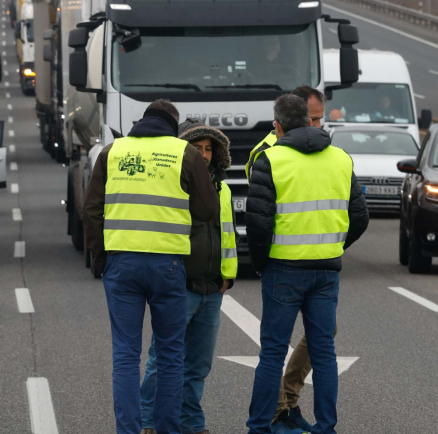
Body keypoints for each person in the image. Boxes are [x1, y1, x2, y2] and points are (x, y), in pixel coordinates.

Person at [82, 99, 219, 434]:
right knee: (172, 355)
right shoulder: (183, 153)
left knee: (126, 356)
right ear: (173, 126)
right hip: (167, 266)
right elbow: (206, 211)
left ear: (141, 121)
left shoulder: (112, 152)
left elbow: (90, 212)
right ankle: (168, 429)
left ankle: (128, 430)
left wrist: (102, 260)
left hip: (122, 265)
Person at [245, 94, 369, 434]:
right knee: (324, 352)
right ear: (310, 120)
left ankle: (259, 427)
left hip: (283, 270)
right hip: (326, 271)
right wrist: (332, 246)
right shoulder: (341, 159)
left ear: (278, 125)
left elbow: (258, 223)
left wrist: (262, 264)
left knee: (272, 353)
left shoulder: (271, 159)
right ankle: (326, 427)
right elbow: (359, 217)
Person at [135, 119, 236, 434]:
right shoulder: (172, 186)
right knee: (161, 360)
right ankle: (149, 421)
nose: (204, 155)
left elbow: (227, 235)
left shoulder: (223, 188)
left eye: (208, 149)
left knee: (198, 366)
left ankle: (191, 424)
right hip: (180, 286)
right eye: (197, 149)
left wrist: (228, 275)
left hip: (212, 288)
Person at [269, 86, 336, 434]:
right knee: (275, 345)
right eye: (311, 118)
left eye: (321, 119)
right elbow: (260, 215)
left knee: (323, 336)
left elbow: (352, 210)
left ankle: (287, 400)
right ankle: (279, 410)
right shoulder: (267, 152)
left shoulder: (330, 152)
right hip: (285, 262)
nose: (317, 125)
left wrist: (333, 241)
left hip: (320, 261)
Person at [246, 85, 327, 180]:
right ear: (295, 112)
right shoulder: (264, 152)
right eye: (313, 119)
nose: (318, 126)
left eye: (320, 119)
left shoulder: (323, 145)